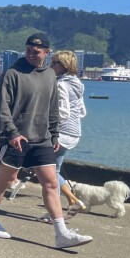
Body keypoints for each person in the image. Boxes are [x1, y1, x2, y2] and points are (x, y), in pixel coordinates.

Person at [0, 33, 93, 249]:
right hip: (16, 139)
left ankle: (61, 233)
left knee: (50, 182)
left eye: (37, 51)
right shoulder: (12, 73)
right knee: (5, 180)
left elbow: (53, 107)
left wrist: (55, 134)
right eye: (29, 50)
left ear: (47, 53)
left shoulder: (50, 75)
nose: (32, 54)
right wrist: (12, 133)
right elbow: (1, 107)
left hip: (42, 139)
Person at [41, 50, 87, 220]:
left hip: (60, 134)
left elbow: (63, 113)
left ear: (64, 66)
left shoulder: (60, 85)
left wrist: (45, 121)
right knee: (54, 170)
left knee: (44, 171)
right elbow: (82, 112)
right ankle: (67, 204)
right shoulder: (77, 84)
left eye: (54, 63)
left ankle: (65, 204)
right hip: (74, 134)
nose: (50, 66)